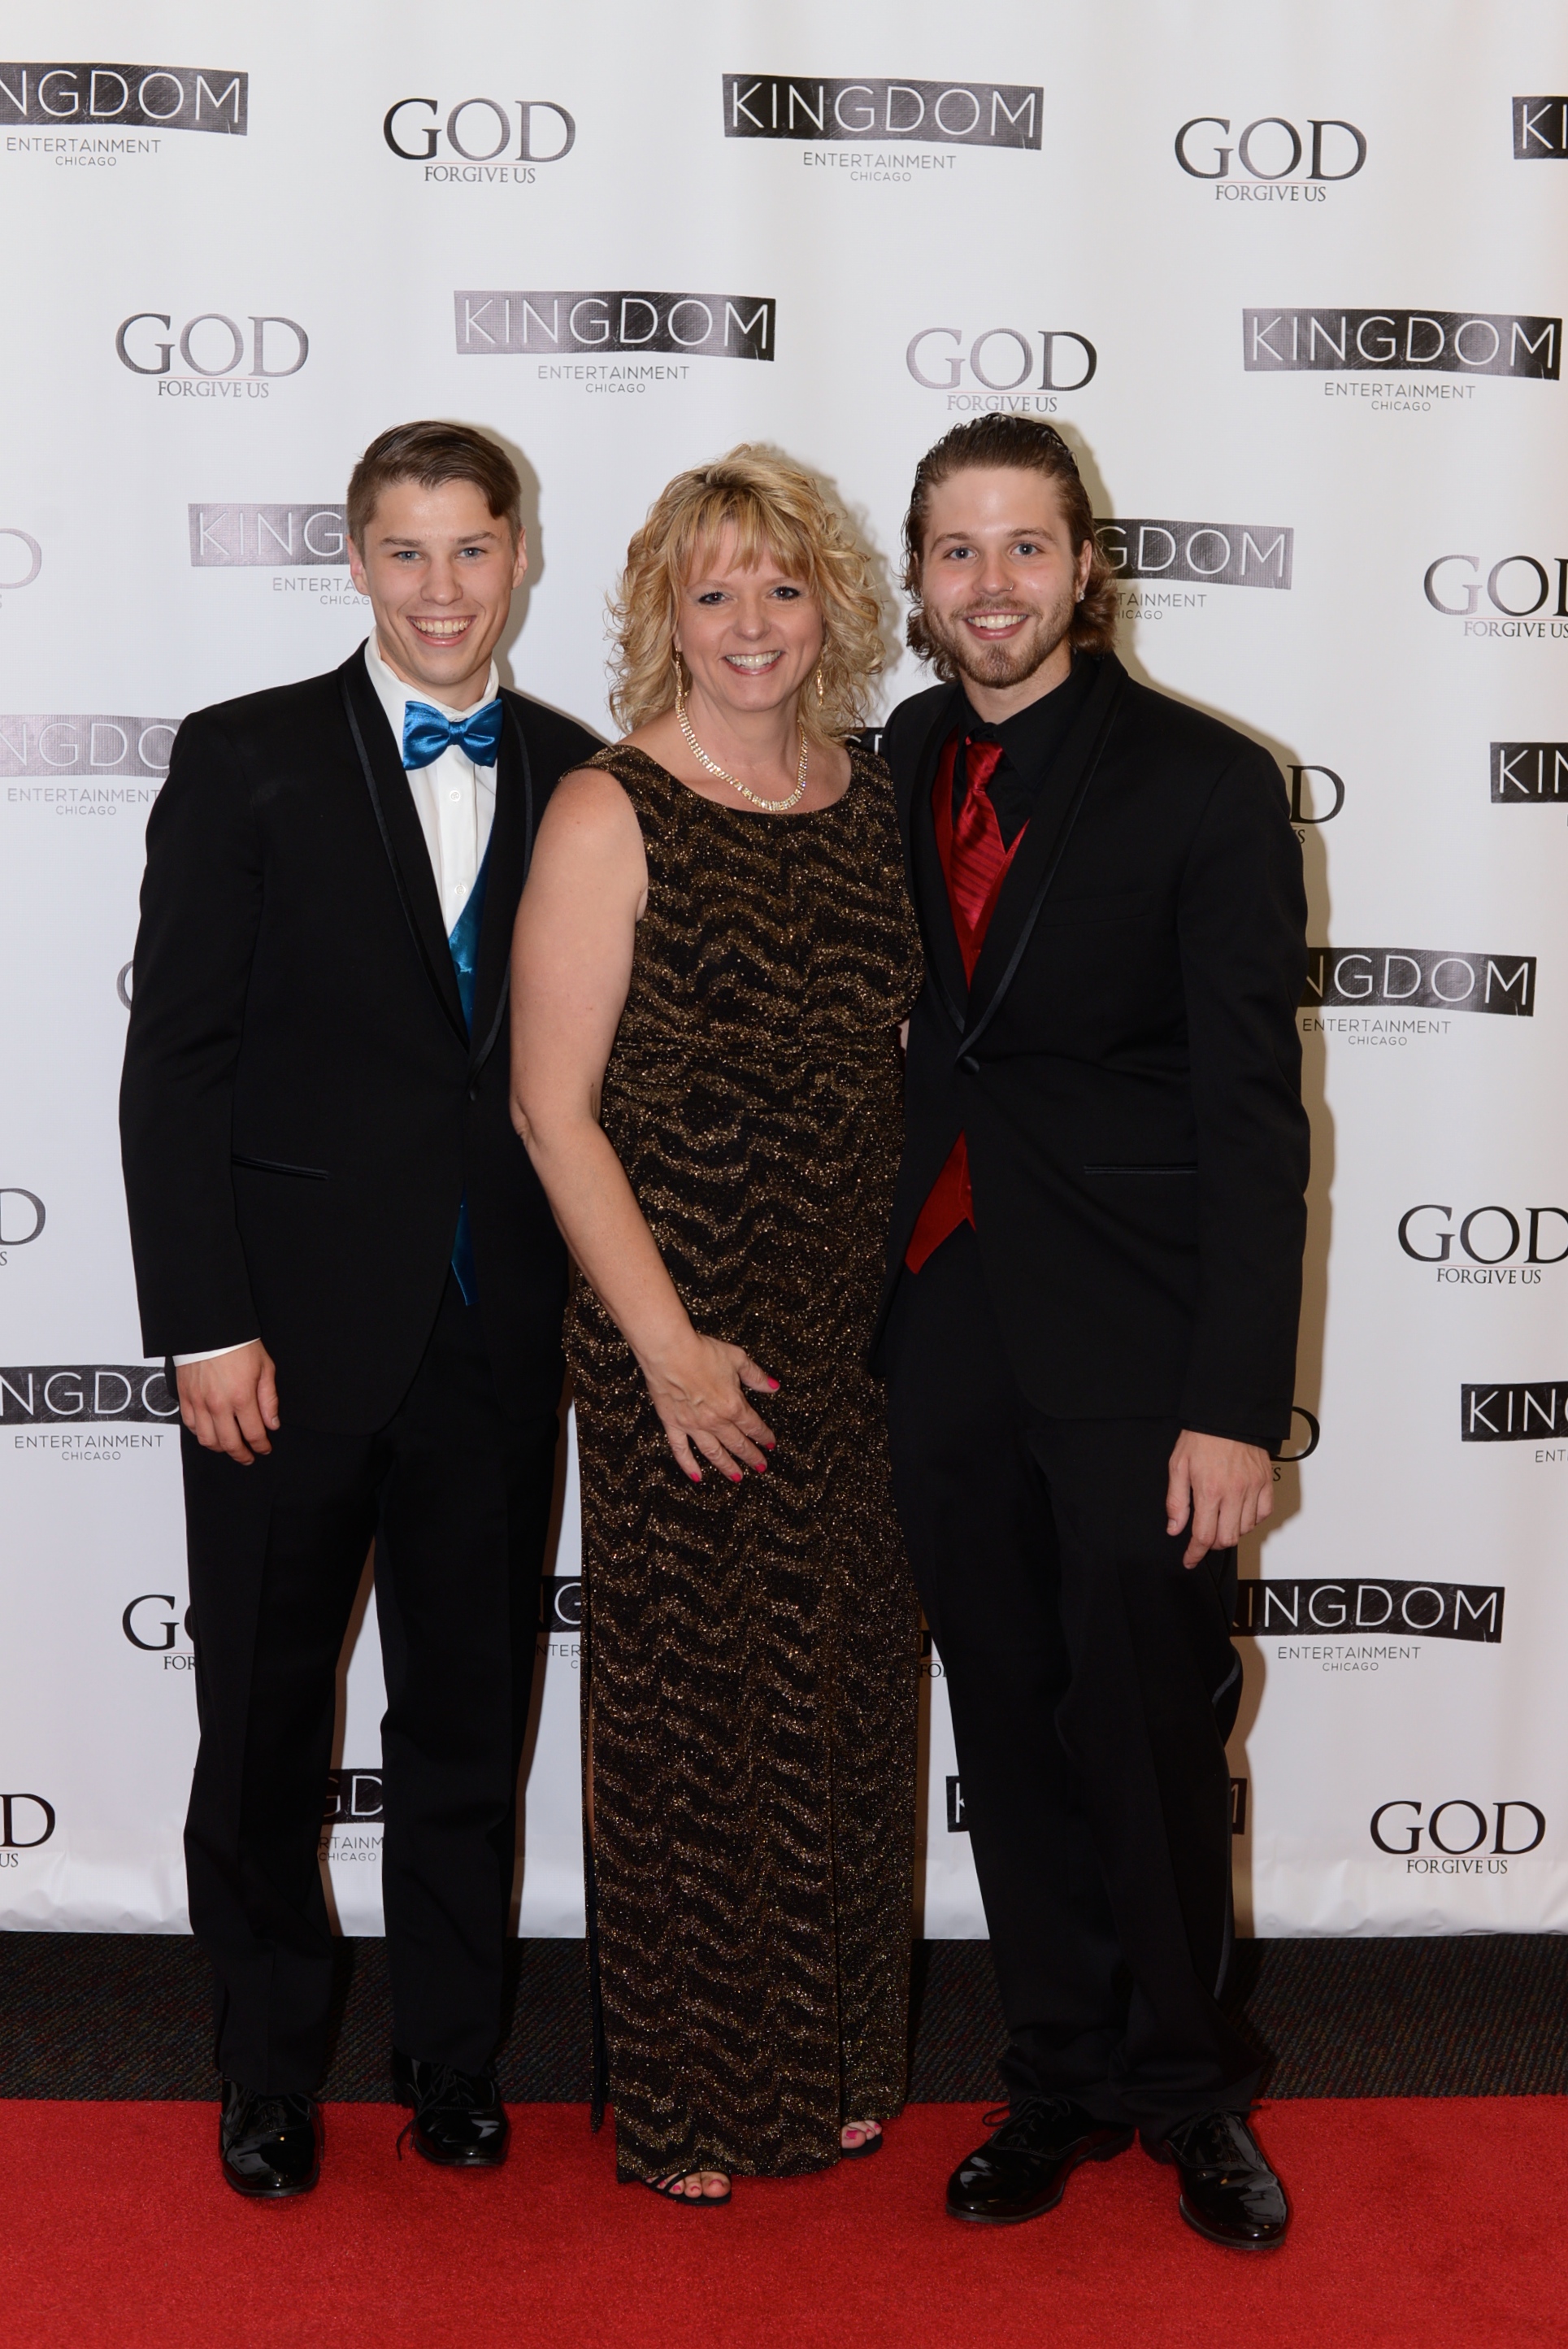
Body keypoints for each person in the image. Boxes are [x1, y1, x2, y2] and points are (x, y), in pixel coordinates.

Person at [119, 421, 598, 2197]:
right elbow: (175, 1065)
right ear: (354, 560)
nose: (442, 588)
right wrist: (204, 1320)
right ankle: (262, 2063)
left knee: (467, 1720)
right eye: (405, 552)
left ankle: (453, 2059)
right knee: (259, 1718)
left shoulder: (582, 774)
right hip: (282, 1346)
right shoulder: (242, 759)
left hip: (494, 1335)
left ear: (520, 555)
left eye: (472, 549)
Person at [871, 415, 1308, 2251]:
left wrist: (1235, 1404)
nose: (989, 585)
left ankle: (1188, 2086)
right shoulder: (893, 755)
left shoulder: (1206, 783)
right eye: (956, 552)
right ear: (916, 581)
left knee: (1146, 1718)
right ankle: (1052, 2065)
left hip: (1139, 1335)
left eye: (1023, 548)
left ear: (1085, 565)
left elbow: (1253, 1116)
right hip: (944, 1313)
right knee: (1006, 1708)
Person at [510, 448, 923, 2204]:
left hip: (854, 1332)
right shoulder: (611, 808)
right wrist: (668, 1347)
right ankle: (689, 2099)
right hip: (674, 1329)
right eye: (711, 590)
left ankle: (830, 2057)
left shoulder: (876, 793)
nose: (749, 621)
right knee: (690, 1722)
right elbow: (552, 1108)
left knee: (840, 1703)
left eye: (780, 584)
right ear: (659, 615)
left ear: (829, 602)